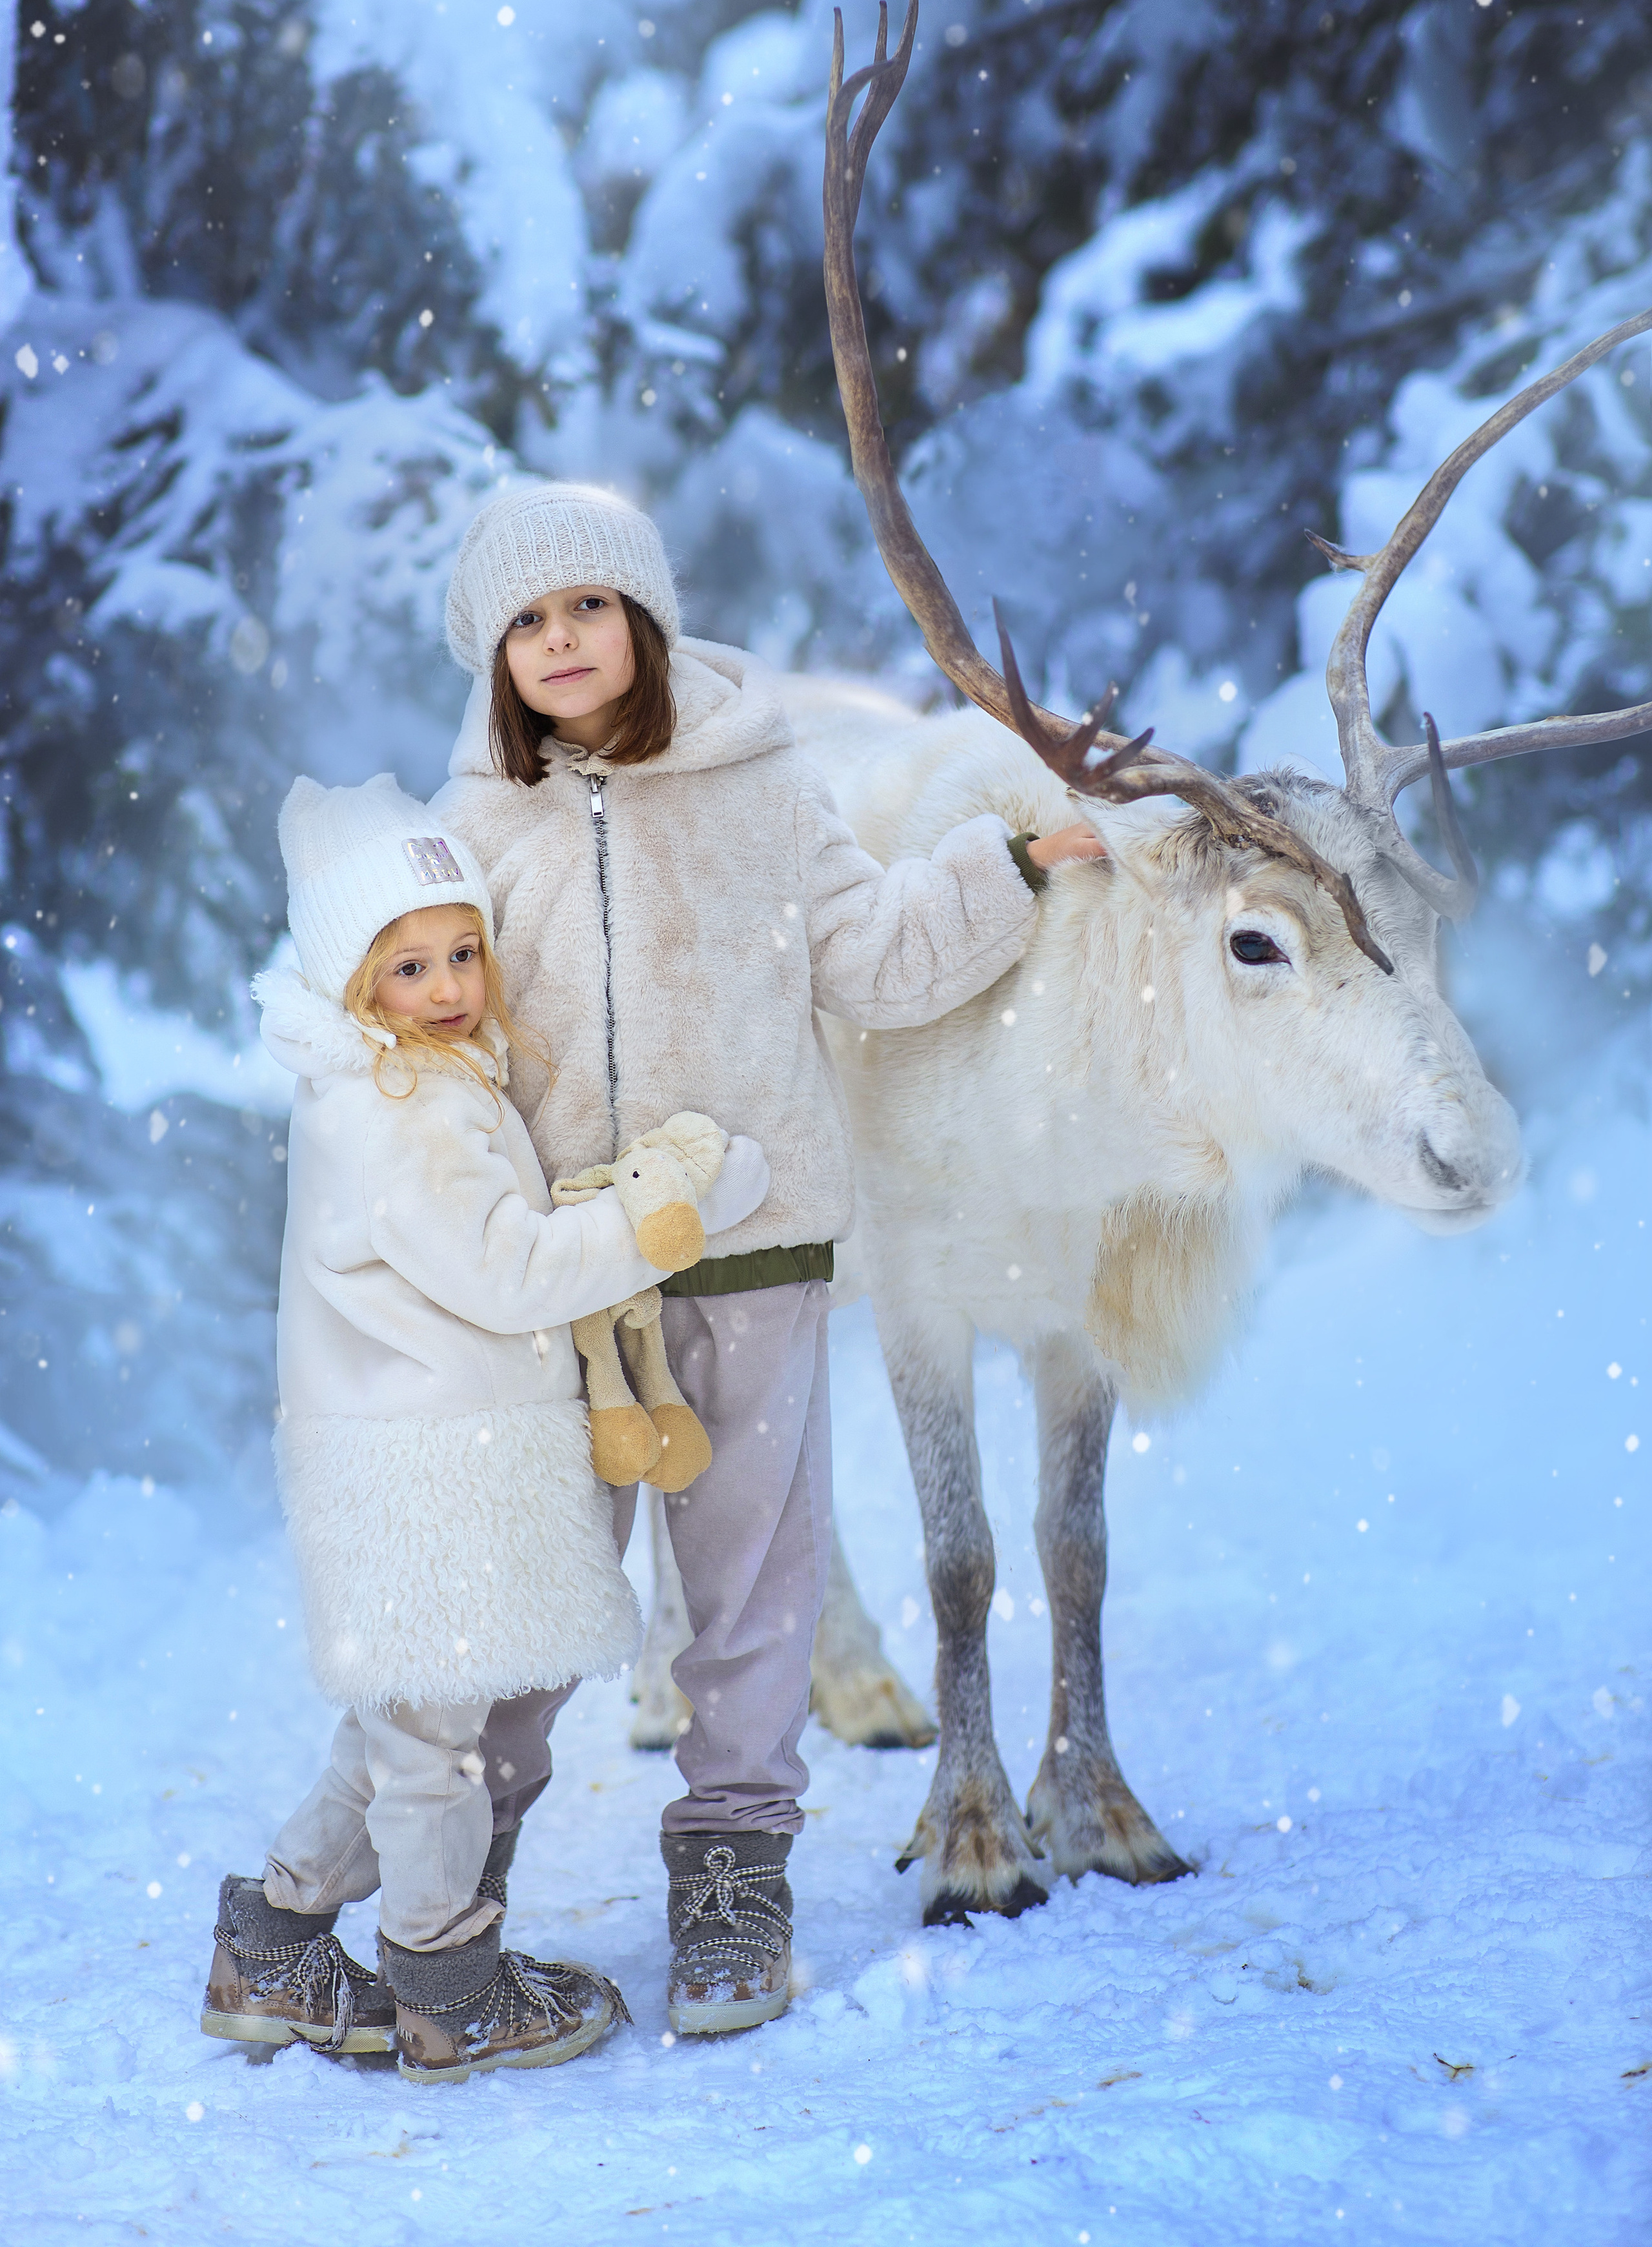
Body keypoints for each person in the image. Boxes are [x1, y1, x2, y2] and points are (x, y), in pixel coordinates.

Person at [432, 482, 1106, 2035]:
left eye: (586, 606)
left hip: (750, 1248)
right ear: (495, 660)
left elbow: (871, 957)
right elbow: (437, 1035)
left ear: (645, 618)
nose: (561, 640)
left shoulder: (754, 783)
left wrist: (1002, 873)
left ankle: (733, 1888)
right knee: (528, 1591)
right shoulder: (472, 825)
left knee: (748, 1593)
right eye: (526, 621)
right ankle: (448, 1899)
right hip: (560, 1281)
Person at [199, 773, 767, 2084]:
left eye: (462, 951)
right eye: (408, 964)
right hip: (428, 1469)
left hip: (418, 1455)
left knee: (399, 1730)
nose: (448, 982)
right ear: (354, 983)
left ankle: (272, 1944)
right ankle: (444, 1981)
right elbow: (508, 1270)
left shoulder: (418, 1081)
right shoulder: (400, 1111)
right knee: (429, 1749)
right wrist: (662, 1215)